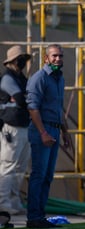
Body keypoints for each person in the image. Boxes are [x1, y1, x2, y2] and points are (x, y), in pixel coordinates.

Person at [26, 44, 72, 228]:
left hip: (54, 128)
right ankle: (33, 217)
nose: (58, 59)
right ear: (46, 58)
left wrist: (65, 131)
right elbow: (32, 107)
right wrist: (43, 132)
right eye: (54, 56)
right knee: (39, 174)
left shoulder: (59, 78)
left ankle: (40, 215)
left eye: (60, 56)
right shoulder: (39, 78)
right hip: (42, 129)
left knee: (47, 176)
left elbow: (58, 108)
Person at [0, 45, 31, 215]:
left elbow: (28, 97)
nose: (23, 62)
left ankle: (13, 200)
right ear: (12, 61)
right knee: (8, 166)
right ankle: (3, 202)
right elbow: (21, 99)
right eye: (20, 59)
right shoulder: (8, 79)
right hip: (11, 127)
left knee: (20, 167)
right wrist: (26, 98)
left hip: (23, 125)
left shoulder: (21, 78)